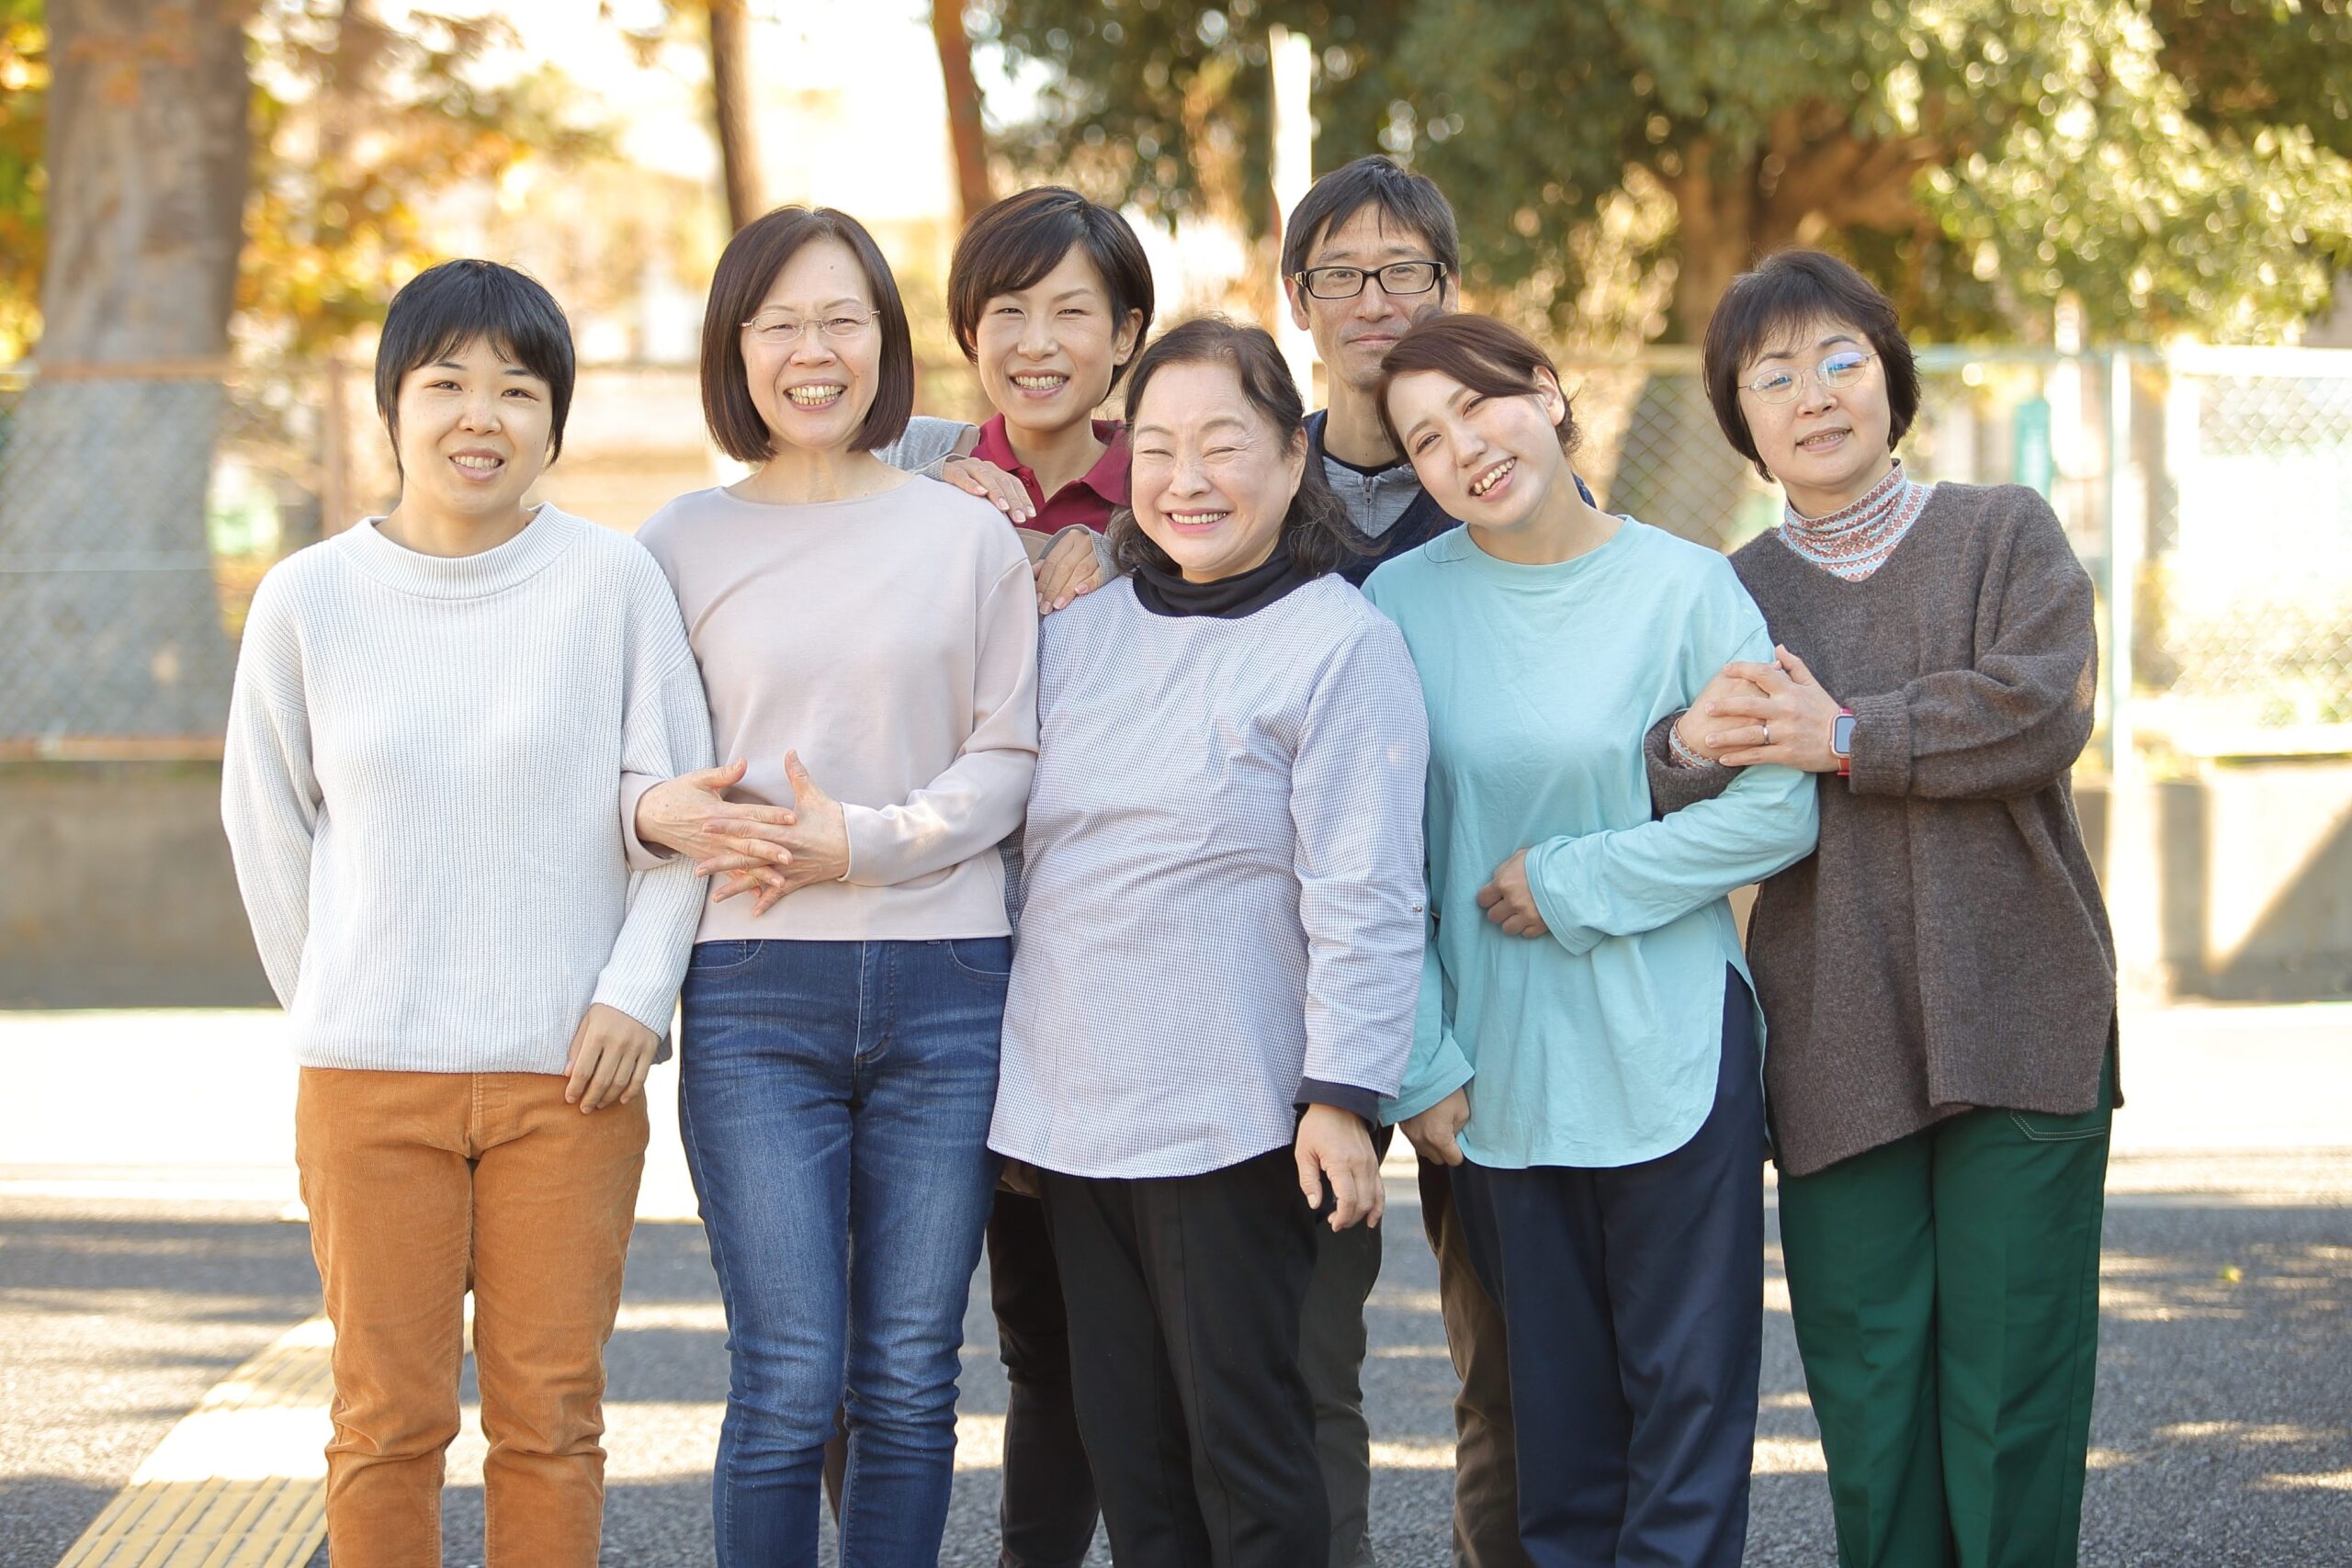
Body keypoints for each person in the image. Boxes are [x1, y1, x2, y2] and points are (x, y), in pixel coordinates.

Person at [221, 260, 712, 1566]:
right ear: (394, 405)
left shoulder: (614, 586)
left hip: (571, 1080)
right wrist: (334, 997)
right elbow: (267, 827)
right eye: (446, 384)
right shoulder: (309, 598)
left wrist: (634, 996)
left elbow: (679, 818)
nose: (478, 415)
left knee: (552, 1420)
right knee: (386, 1420)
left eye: (517, 387)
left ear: (555, 420)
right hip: (368, 1084)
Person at [1651, 249, 2116, 1568]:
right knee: (1870, 1395)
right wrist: (1688, 745)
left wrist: (1847, 734)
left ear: (1893, 378)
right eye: (1774, 374)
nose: (1815, 394)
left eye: (1843, 358)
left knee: (2013, 1389)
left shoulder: (2002, 529)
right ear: (1742, 421)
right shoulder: (1726, 592)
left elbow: (2040, 711)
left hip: (2022, 1014)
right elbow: (1674, 784)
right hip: (1833, 1036)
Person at [622, 206, 1039, 1567]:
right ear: (735, 347)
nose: (814, 351)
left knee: (915, 1377)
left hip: (951, 979)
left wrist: (860, 841)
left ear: (886, 343)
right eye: (780, 322)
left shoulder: (965, 534)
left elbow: (1009, 759)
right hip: (753, 988)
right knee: (790, 1379)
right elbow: (635, 772)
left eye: (842, 320)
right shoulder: (672, 545)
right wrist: (665, 817)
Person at [1368, 312, 1819, 1568]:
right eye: (1426, 440)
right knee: (1553, 1445)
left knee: (1689, 1419)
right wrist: (1417, 1058)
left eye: (1481, 407)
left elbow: (1779, 808)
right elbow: (1374, 855)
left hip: (1675, 1047)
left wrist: (1580, 881)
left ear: (1548, 393)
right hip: (1495, 1073)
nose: (1465, 449)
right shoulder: (1397, 607)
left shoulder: (1686, 585)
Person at [990, 317, 1429, 1568]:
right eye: (1162, 447)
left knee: (1245, 1459)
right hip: (1074, 1128)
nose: (1187, 479)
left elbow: (1370, 892)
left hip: (1234, 1123)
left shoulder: (1340, 645)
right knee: (1134, 1464)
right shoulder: (1077, 637)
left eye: (1223, 445)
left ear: (1293, 461)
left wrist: (1343, 1098)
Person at [1280, 152, 1577, 1568]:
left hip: (1491, 961)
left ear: (1451, 290)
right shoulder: (1253, 488)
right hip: (1299, 982)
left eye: (1406, 271)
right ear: (1299, 303)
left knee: (1513, 1360)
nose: (1375, 299)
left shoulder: (1507, 479)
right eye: (1342, 274)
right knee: (1295, 1359)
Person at [856, 182, 1154, 1568]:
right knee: (876, 1329)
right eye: (1007, 312)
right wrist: (921, 509)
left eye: (1072, 313)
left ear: (1126, 335)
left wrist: (1130, 558)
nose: (1037, 342)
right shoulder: (898, 470)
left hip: (1083, 981)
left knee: (1056, 1336)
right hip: (911, 952)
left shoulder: (1171, 496)